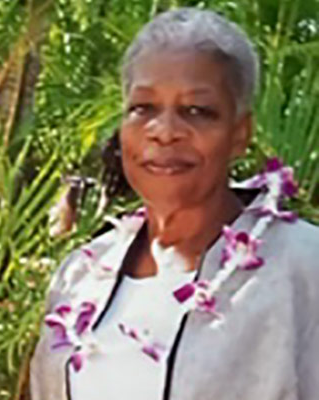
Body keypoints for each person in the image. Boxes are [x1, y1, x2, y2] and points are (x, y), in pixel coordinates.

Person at [30, 7, 319, 400]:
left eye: (197, 111)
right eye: (143, 108)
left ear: (240, 133)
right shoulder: (80, 276)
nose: (164, 132)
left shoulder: (302, 267)